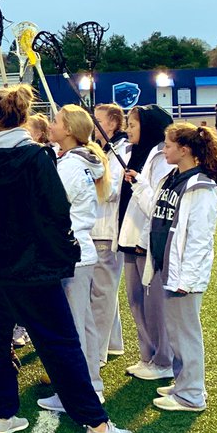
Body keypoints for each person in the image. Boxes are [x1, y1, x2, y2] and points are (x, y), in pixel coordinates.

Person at [0, 86, 133, 433]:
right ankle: (97, 425)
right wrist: (63, 252)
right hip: (30, 268)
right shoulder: (36, 157)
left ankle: (3, 415)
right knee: (60, 344)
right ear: (22, 118)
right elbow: (55, 212)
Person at [148, 123, 217, 413]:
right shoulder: (173, 177)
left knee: (186, 333)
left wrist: (188, 278)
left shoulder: (201, 187)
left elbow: (199, 238)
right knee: (177, 332)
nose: (164, 149)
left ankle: (191, 394)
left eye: (168, 145)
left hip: (184, 276)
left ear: (185, 150)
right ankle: (184, 383)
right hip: (168, 268)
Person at [38, 105, 109, 412]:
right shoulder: (76, 160)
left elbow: (49, 203)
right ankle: (90, 385)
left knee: (74, 328)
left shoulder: (69, 167)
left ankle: (78, 392)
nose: (51, 126)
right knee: (85, 325)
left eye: (55, 122)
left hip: (72, 254)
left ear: (68, 129)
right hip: (79, 252)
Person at [117, 104, 175, 381]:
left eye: (133, 124)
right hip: (130, 238)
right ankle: (147, 355)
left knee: (154, 305)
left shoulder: (161, 156)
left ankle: (163, 360)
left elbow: (157, 203)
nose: (128, 129)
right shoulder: (136, 153)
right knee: (136, 302)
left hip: (147, 242)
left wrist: (138, 182)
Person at [92, 104, 129, 360]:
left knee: (101, 294)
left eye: (98, 120)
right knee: (105, 291)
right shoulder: (106, 149)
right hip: (99, 227)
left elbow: (112, 191)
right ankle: (113, 342)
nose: (93, 124)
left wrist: (89, 179)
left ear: (112, 124)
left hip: (106, 229)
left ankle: (96, 352)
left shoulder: (119, 150)